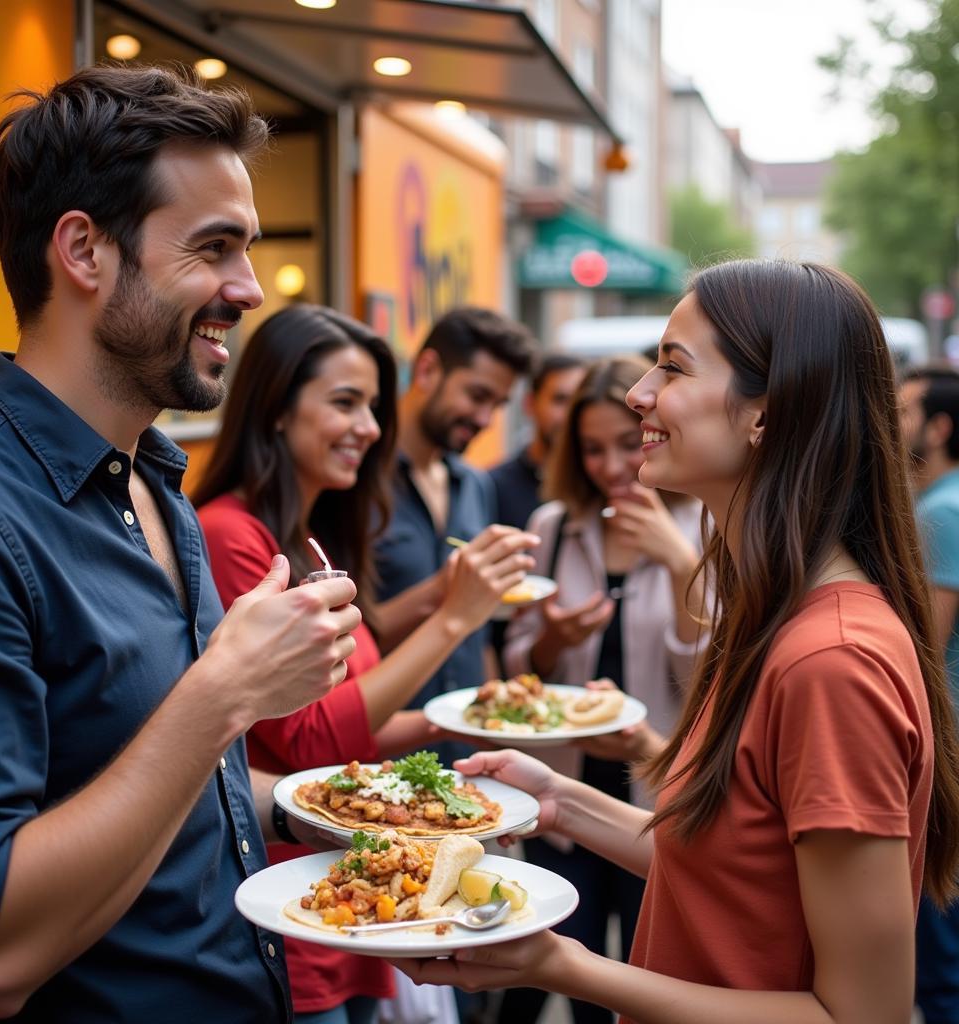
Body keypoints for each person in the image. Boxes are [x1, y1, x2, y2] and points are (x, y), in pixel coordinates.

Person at [394, 259, 959, 1024]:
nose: (638, 394)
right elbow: (729, 874)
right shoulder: (774, 620)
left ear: (768, 411)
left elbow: (863, 1014)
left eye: (673, 366)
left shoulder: (831, 661)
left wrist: (565, 965)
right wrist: (558, 801)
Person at [0, 66, 363, 1022]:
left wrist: (344, 811)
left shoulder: (156, 483)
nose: (248, 289)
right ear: (84, 249)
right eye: (214, 248)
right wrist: (226, 690)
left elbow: (170, 781)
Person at [193, 304, 537, 1024]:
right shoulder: (231, 535)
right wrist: (455, 618)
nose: (371, 428)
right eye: (345, 402)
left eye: (373, 406)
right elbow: (311, 741)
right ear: (278, 409)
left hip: (348, 889)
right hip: (290, 898)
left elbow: (354, 732)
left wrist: (473, 725)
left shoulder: (311, 538)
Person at [497, 356, 705, 1024]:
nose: (612, 465)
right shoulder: (554, 525)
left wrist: (678, 564)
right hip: (569, 794)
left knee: (653, 975)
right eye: (591, 449)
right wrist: (552, 638)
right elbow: (520, 662)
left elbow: (708, 678)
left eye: (625, 442)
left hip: (662, 790)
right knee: (581, 974)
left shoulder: (705, 524)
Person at [372, 307, 537, 756]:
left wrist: (496, 724)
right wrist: (444, 590)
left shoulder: (475, 485)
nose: (486, 419)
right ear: (427, 369)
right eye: (478, 395)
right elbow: (344, 640)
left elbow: (477, 632)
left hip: (466, 751)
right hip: (377, 755)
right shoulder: (356, 484)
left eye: (499, 405)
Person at [899, 365, 959, 1024]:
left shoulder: (943, 510)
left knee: (939, 954)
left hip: (946, 754)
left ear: (939, 428)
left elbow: (923, 649)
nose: (895, 423)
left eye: (908, 411)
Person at [488, 352, 586, 531]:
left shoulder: (596, 481)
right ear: (530, 404)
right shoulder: (491, 487)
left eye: (578, 403)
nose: (570, 415)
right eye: (560, 400)